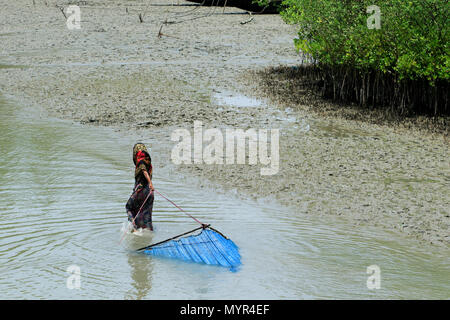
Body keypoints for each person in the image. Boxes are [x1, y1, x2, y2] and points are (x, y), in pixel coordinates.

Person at [126, 143, 155, 231]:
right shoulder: (149, 163)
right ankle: (147, 230)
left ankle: (134, 229)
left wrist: (150, 183)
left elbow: (143, 170)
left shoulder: (141, 161)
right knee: (146, 213)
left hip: (141, 191)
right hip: (149, 193)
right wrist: (150, 185)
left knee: (129, 207)